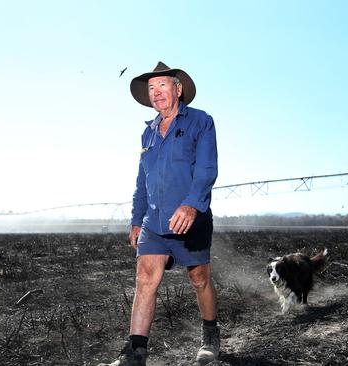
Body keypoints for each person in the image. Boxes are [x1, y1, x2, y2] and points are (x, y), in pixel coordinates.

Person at [98, 62, 219, 366]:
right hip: (153, 222)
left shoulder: (201, 122)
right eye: (151, 88)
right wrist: (136, 220)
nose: (156, 93)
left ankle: (210, 337)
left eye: (162, 85)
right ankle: (135, 354)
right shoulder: (148, 134)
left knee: (199, 279)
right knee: (144, 279)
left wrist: (192, 204)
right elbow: (143, 180)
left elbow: (206, 169)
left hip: (191, 218)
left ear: (178, 89)